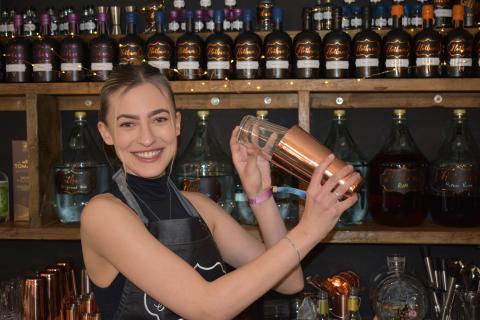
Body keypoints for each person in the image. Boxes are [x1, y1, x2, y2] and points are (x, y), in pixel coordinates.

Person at [81, 64, 359, 320]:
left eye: (159, 119)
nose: (146, 138)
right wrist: (308, 230)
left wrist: (260, 196)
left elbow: (289, 282)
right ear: (106, 133)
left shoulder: (200, 207)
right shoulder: (104, 214)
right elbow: (208, 307)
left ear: (177, 124)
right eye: (128, 124)